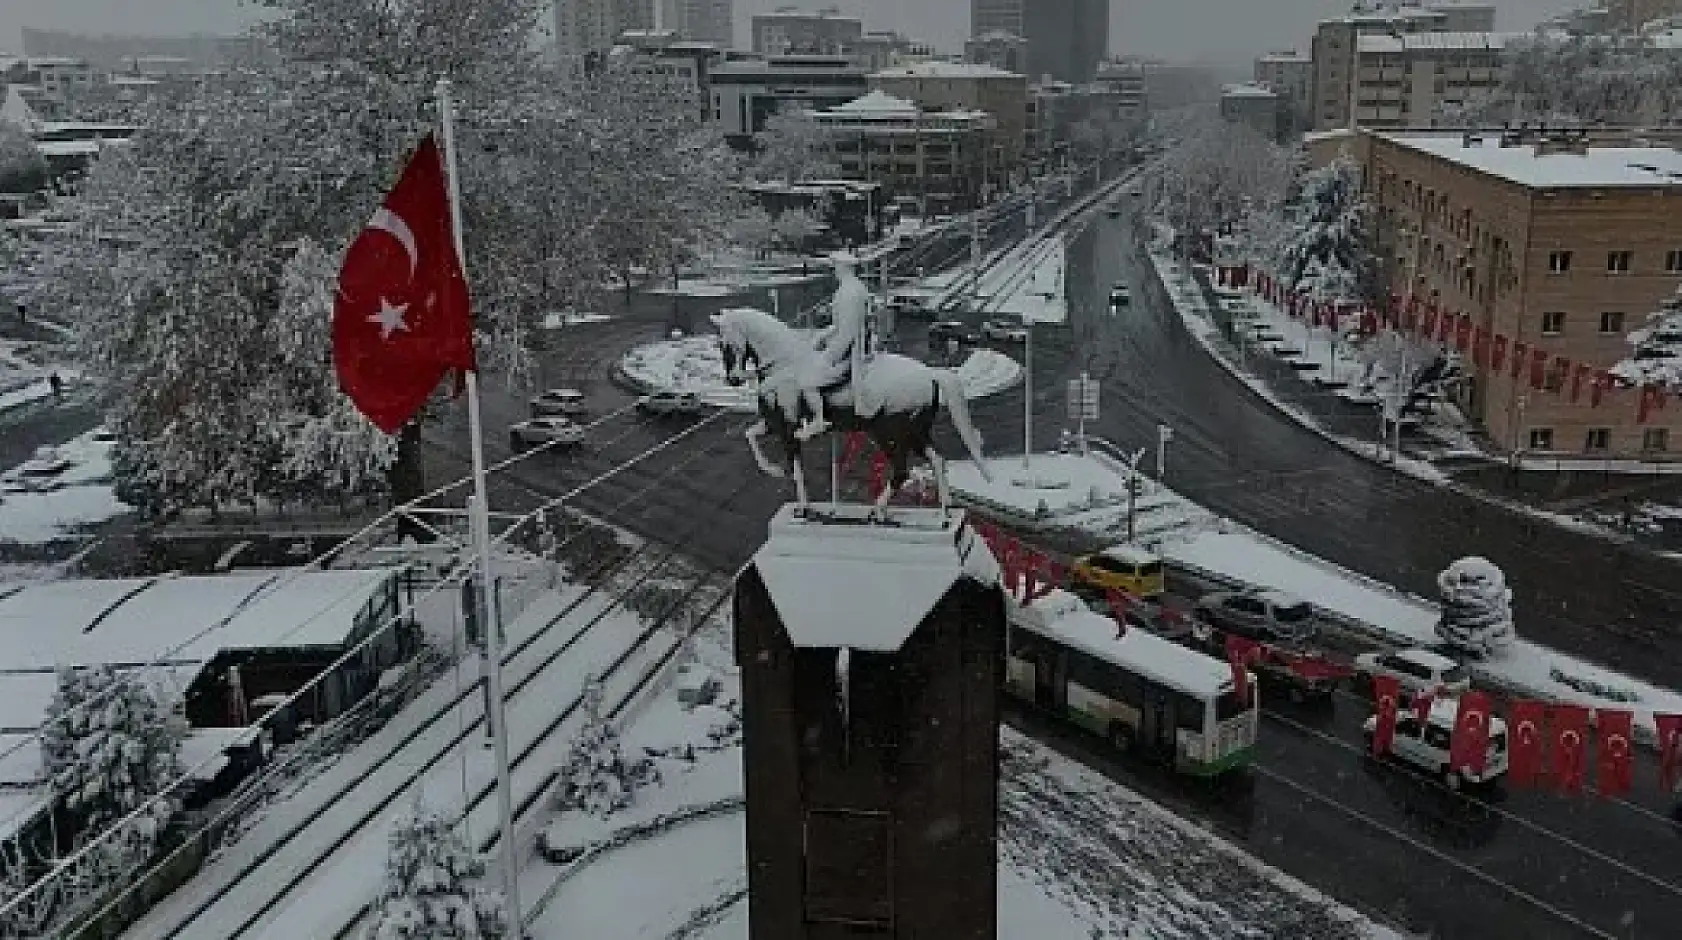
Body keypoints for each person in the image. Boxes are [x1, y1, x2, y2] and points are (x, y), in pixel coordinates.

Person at [793, 253, 873, 440]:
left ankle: (819, 419)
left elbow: (847, 333)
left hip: (851, 349)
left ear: (844, 268)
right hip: (852, 342)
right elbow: (839, 326)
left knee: (806, 380)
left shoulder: (848, 293)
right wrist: (821, 335)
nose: (834, 270)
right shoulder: (853, 288)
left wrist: (829, 356)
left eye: (836, 266)